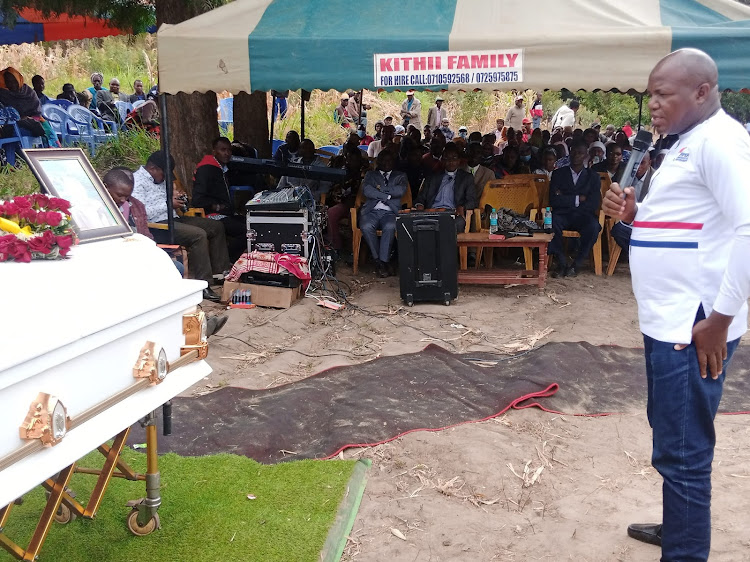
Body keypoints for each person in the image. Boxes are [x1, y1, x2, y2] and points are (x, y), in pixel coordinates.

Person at [602, 49, 750, 561]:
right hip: (669, 319)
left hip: (695, 325)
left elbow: (748, 230)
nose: (653, 105)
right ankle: (680, 524)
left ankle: (685, 550)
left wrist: (721, 320)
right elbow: (684, 226)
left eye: (663, 94)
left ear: (703, 92)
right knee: (671, 431)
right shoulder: (685, 144)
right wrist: (633, 215)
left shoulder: (721, 143)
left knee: (683, 448)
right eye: (651, 94)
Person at [132, 150, 231, 300]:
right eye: (164, 174)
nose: (165, 178)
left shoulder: (161, 179)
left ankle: (220, 273)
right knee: (198, 235)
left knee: (216, 227)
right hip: (156, 226)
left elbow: (170, 202)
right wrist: (168, 204)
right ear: (153, 168)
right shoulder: (136, 181)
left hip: (173, 218)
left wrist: (178, 199)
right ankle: (203, 284)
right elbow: (140, 212)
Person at [103, 167, 185, 277]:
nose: (123, 200)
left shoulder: (133, 205)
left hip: (139, 253)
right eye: (120, 195)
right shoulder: (99, 209)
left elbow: (145, 235)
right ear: (106, 187)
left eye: (127, 196)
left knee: (177, 266)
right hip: (119, 257)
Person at [548, 138, 601, 278]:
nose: (576, 155)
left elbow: (594, 203)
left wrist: (565, 196)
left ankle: (577, 264)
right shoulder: (558, 174)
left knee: (594, 227)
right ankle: (561, 262)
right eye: (574, 152)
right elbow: (553, 200)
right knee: (551, 222)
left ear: (586, 155)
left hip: (583, 216)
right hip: (563, 215)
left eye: (580, 153)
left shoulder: (593, 177)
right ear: (569, 153)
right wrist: (579, 198)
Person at [191, 137, 247, 261]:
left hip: (226, 212)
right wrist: (215, 206)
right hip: (211, 215)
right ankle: (229, 260)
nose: (227, 153)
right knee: (246, 232)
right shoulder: (206, 169)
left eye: (229, 150)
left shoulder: (222, 168)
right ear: (214, 152)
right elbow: (197, 200)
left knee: (251, 223)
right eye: (223, 150)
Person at [360, 150, 408, 277]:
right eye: (384, 160)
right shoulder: (370, 175)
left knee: (390, 227)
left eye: (390, 160)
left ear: (394, 162)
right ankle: (379, 261)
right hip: (372, 210)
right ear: (378, 161)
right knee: (366, 226)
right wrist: (387, 196)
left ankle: (383, 261)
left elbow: (400, 191)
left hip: (391, 212)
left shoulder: (400, 175)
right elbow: (367, 190)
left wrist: (380, 189)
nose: (387, 163)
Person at [414, 142, 476, 233]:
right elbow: (421, 197)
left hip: (453, 213)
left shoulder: (466, 178)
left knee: (458, 223)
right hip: (432, 212)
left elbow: (472, 200)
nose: (451, 161)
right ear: (442, 160)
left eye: (454, 158)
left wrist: (462, 207)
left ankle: (447, 248)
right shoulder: (433, 177)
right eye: (447, 158)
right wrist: (419, 205)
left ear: (459, 161)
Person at [608, 151, 652, 252]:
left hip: (646, 220)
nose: (638, 167)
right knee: (617, 231)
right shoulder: (624, 174)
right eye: (636, 163)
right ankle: (632, 255)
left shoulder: (656, 178)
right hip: (627, 220)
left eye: (642, 163)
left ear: (649, 163)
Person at [0, 67, 56, 147]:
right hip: (13, 124)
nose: (12, 84)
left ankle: (51, 155)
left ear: (19, 79)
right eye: (8, 82)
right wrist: (19, 117)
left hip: (35, 119)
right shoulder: (3, 94)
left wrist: (28, 117)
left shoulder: (28, 91)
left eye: (14, 81)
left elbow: (36, 109)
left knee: (48, 131)